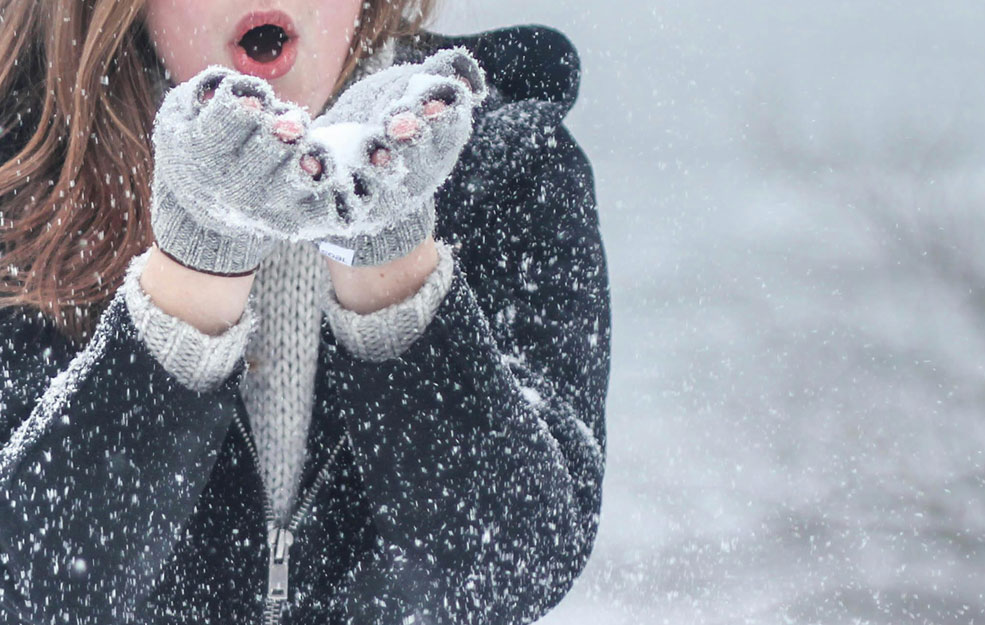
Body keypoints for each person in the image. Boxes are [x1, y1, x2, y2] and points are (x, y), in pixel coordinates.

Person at [0, 0, 610, 623]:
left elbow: (515, 565)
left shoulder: (510, 167)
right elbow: (33, 585)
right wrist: (196, 265)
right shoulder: (18, 183)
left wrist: (390, 257)